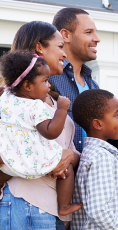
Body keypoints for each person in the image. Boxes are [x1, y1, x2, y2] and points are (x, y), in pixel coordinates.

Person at [0, 21, 81, 230]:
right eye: (60, 46)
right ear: (39, 47)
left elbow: (69, 151)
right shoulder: (8, 100)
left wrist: (70, 157)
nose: (65, 54)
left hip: (50, 207)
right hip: (23, 201)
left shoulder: (51, 99)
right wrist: (39, 161)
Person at [71, 89, 118, 230]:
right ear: (98, 124)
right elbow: (99, 210)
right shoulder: (101, 157)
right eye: (116, 115)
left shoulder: (96, 153)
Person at [50, 7, 100, 152]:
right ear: (65, 35)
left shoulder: (94, 86)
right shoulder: (48, 79)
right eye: (88, 32)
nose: (97, 38)